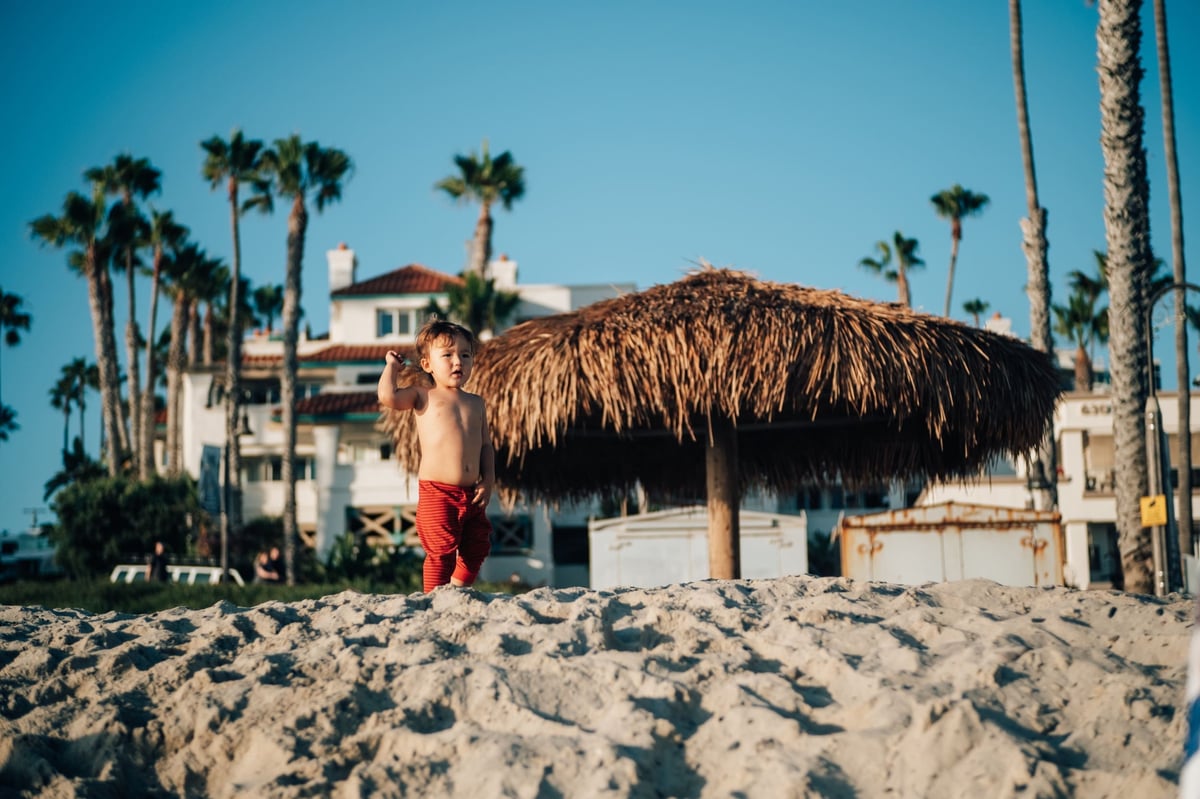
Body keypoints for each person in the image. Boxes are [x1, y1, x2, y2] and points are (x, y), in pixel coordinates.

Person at [377, 319, 494, 592]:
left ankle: (457, 590)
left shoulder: (476, 402)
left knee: (477, 546)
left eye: (465, 355)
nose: (458, 362)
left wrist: (488, 480)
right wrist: (391, 367)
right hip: (437, 492)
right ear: (427, 364)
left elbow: (486, 446)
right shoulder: (423, 396)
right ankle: (433, 598)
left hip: (472, 493)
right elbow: (388, 396)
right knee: (441, 553)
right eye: (448, 355)